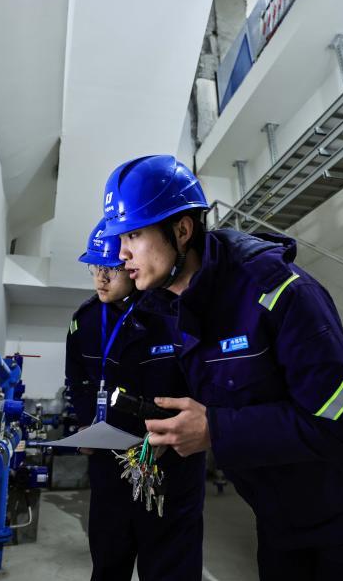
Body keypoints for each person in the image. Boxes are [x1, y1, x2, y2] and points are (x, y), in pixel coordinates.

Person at [99, 156, 343, 581]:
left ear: (181, 230)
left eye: (133, 234)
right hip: (278, 515)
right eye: (119, 238)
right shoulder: (173, 308)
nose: (121, 253)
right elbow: (232, 390)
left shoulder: (279, 291)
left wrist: (216, 430)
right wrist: (175, 429)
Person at [65, 218, 206, 581]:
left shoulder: (173, 314)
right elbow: (78, 381)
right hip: (110, 463)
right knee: (109, 560)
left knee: (170, 564)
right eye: (95, 268)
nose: (101, 279)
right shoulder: (84, 323)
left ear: (130, 265)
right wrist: (86, 422)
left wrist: (177, 432)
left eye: (111, 269)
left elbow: (202, 384)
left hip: (170, 461)